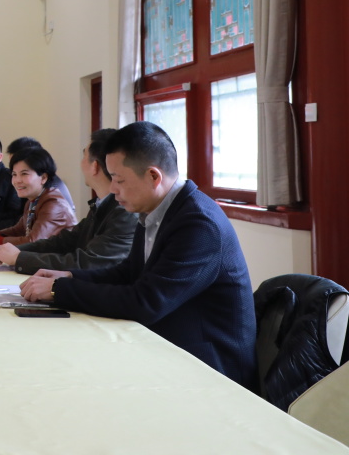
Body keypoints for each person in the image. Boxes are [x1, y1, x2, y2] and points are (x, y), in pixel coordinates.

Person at [20, 121, 257, 389]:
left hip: (209, 368)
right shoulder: (155, 209)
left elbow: (146, 302)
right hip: (168, 345)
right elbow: (128, 273)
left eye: (119, 180)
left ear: (154, 176)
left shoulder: (198, 224)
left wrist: (59, 290)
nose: (113, 189)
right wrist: (69, 276)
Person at [0, 129, 137, 274]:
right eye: (14, 174)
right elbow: (65, 241)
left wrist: (18, 257)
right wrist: (17, 250)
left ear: (94, 166)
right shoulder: (100, 204)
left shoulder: (123, 212)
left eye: (83, 156)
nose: (17, 180)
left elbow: (88, 263)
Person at [0, 146, 77, 247]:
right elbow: (18, 231)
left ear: (43, 178)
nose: (17, 180)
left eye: (24, 174)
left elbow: (34, 243)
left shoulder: (53, 204)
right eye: (14, 174)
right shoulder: (33, 200)